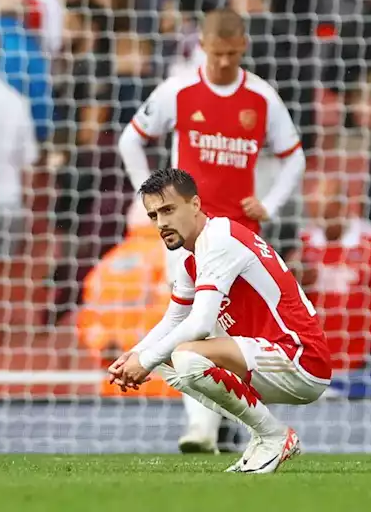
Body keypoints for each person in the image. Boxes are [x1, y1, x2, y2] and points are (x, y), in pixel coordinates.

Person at [117, 7, 306, 453]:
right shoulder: (178, 90)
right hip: (186, 232)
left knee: (233, 330)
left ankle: (223, 421)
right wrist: (155, 205)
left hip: (240, 235)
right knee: (190, 320)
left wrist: (271, 204)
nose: (223, 62)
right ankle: (203, 428)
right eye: (216, 53)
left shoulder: (261, 97)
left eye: (231, 54)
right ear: (202, 47)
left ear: (243, 48)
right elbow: (131, 139)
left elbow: (294, 156)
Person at [109, 168, 331, 475]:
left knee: (185, 356)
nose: (161, 223)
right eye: (154, 215)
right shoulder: (193, 258)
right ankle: (263, 436)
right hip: (264, 356)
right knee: (167, 358)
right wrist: (133, 356)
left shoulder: (219, 239)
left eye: (169, 210)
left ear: (196, 205)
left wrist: (144, 361)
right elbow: (174, 318)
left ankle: (274, 436)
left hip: (300, 358)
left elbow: (200, 324)